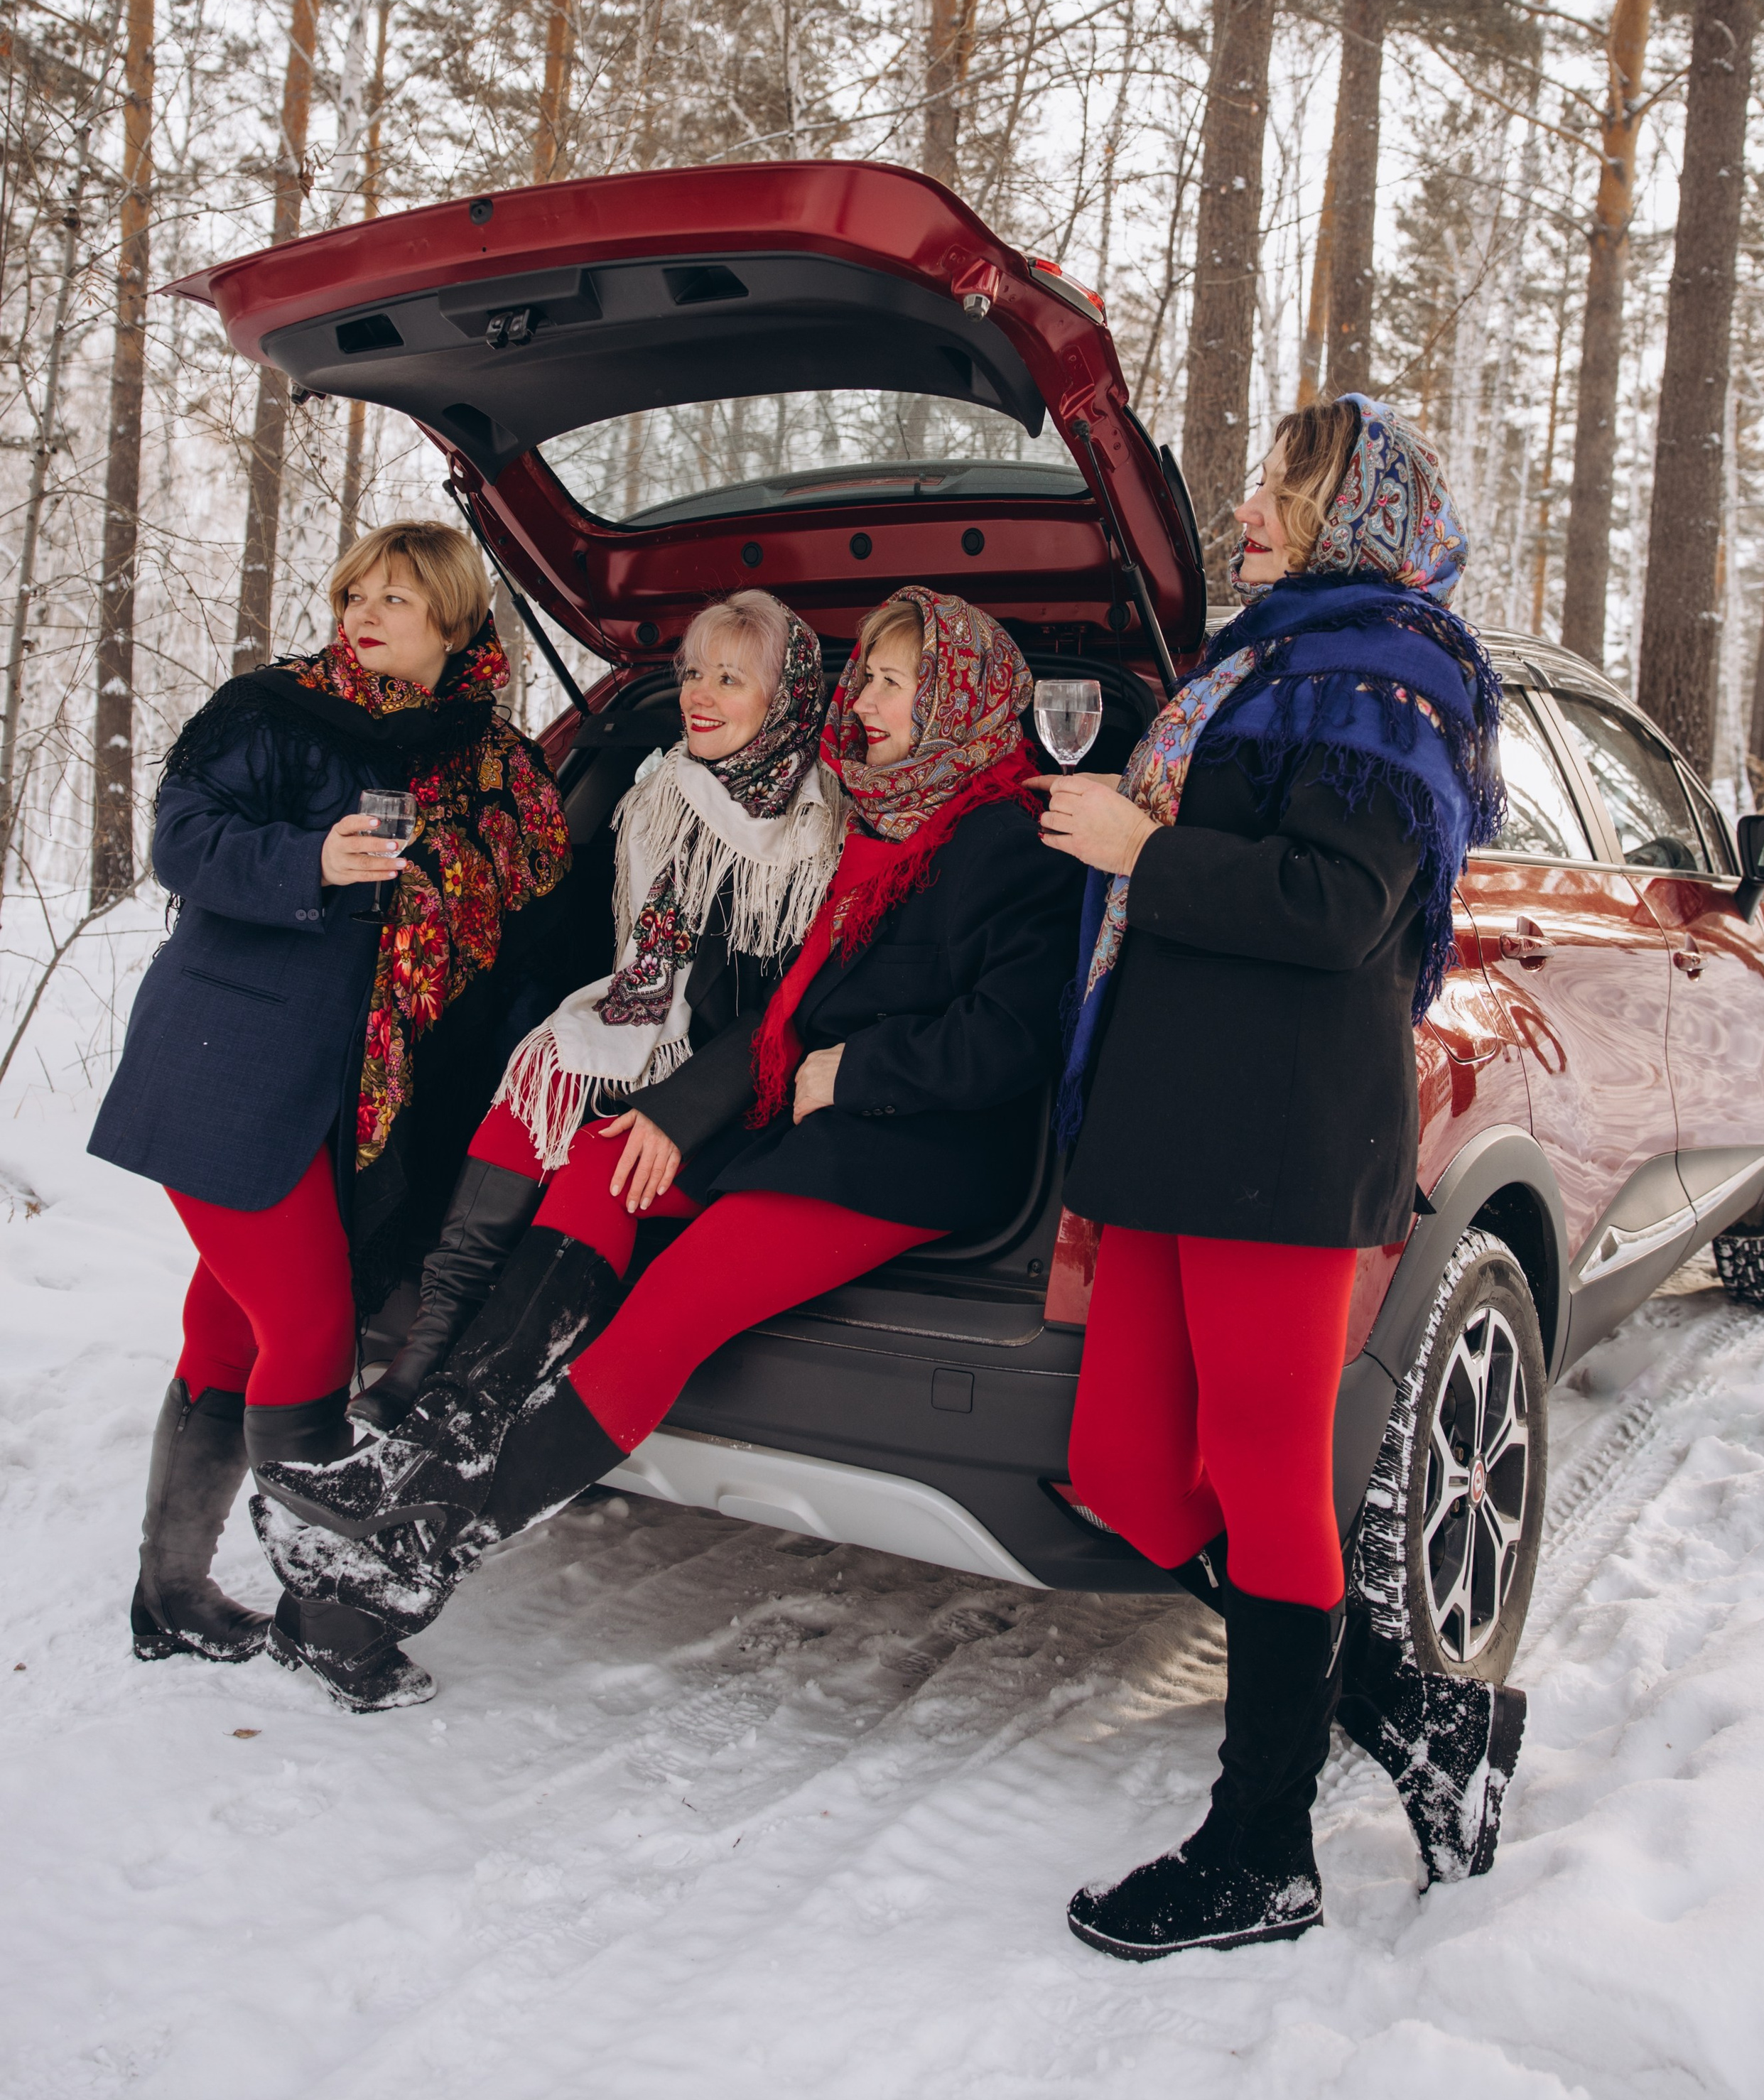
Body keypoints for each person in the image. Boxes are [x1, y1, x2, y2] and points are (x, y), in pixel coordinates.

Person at [249, 585, 1081, 1705]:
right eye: (867, 675)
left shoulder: (1011, 835)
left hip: (909, 1153)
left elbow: (1013, 1037)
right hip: (806, 1125)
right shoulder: (880, 821)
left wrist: (849, 1072)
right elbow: (785, 1004)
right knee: (600, 1159)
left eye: (892, 680)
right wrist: (681, 1111)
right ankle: (439, 1437)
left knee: (671, 1309)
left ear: (960, 700)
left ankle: (422, 1536)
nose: (864, 698)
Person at [1035, 396, 1524, 1960]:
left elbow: (1333, 906)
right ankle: (1418, 1715)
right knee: (1122, 1465)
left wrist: (1137, 847)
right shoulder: (1268, 657)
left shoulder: (1386, 674)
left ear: (1354, 516)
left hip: (1286, 1125)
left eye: (1281, 489)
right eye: (1256, 484)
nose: (1247, 510)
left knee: (1264, 1481)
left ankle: (1264, 1847)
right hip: (1183, 1117)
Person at [90, 521, 572, 1707]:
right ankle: (326, 1613)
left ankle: (170, 1595)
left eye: (398, 600)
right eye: (357, 592)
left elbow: (537, 870)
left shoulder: (483, 755)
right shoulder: (274, 713)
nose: (364, 613)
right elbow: (182, 844)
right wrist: (312, 862)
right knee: (308, 1329)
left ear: (453, 625)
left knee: (231, 1332)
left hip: (351, 1093)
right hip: (224, 1064)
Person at [349, 589, 841, 1435]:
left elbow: (790, 1015)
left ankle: (479, 1380)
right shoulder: (658, 795)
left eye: (729, 678)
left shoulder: (819, 833)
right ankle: (426, 1351)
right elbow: (575, 921)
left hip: (738, 1089)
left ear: (785, 699)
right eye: (693, 673)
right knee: (533, 1081)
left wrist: (673, 1109)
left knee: (587, 1143)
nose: (696, 695)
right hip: (643, 1033)